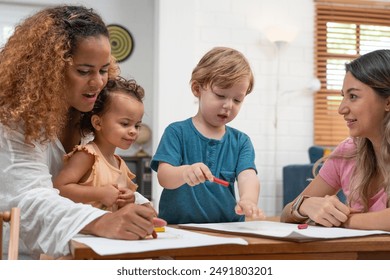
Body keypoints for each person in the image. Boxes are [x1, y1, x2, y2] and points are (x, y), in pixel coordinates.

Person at [0, 5, 165, 259]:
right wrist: (101, 221)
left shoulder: (90, 118)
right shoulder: (15, 121)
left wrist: (140, 208)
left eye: (102, 70)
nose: (98, 82)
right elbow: (28, 200)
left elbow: (103, 178)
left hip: (78, 252)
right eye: (84, 71)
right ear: (50, 70)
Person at [151, 47, 264, 224]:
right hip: (178, 228)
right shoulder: (176, 132)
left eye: (237, 100)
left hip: (227, 229)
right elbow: (164, 177)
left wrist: (248, 199)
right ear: (197, 89)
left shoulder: (241, 142)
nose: (228, 105)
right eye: (220, 95)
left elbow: (248, 176)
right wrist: (185, 172)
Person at [281, 49, 390, 231]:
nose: (341, 109)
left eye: (353, 96)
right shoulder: (348, 152)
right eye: (343, 96)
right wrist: (304, 206)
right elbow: (286, 214)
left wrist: (341, 220)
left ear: (387, 102)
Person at [53, 76, 154, 212]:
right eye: (125, 124)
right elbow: (59, 187)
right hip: (83, 232)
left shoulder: (120, 164)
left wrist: (128, 199)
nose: (133, 131)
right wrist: (99, 194)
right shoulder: (87, 154)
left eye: (137, 125)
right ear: (98, 123)